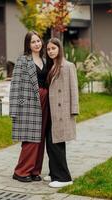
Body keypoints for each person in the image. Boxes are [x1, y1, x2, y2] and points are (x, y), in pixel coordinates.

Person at [9, 31, 49, 182]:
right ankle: (21, 171)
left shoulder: (45, 60)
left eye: (38, 41)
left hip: (45, 102)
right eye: (33, 42)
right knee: (30, 139)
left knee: (40, 138)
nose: (37, 44)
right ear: (28, 44)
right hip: (28, 104)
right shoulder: (22, 60)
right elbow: (15, 85)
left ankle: (34, 171)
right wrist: (15, 110)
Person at [45, 38, 79, 188]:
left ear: (59, 49)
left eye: (53, 48)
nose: (51, 51)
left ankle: (64, 178)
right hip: (51, 111)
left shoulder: (68, 66)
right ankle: (54, 173)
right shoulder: (51, 66)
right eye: (48, 49)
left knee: (57, 143)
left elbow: (74, 89)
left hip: (62, 111)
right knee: (50, 143)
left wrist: (73, 110)